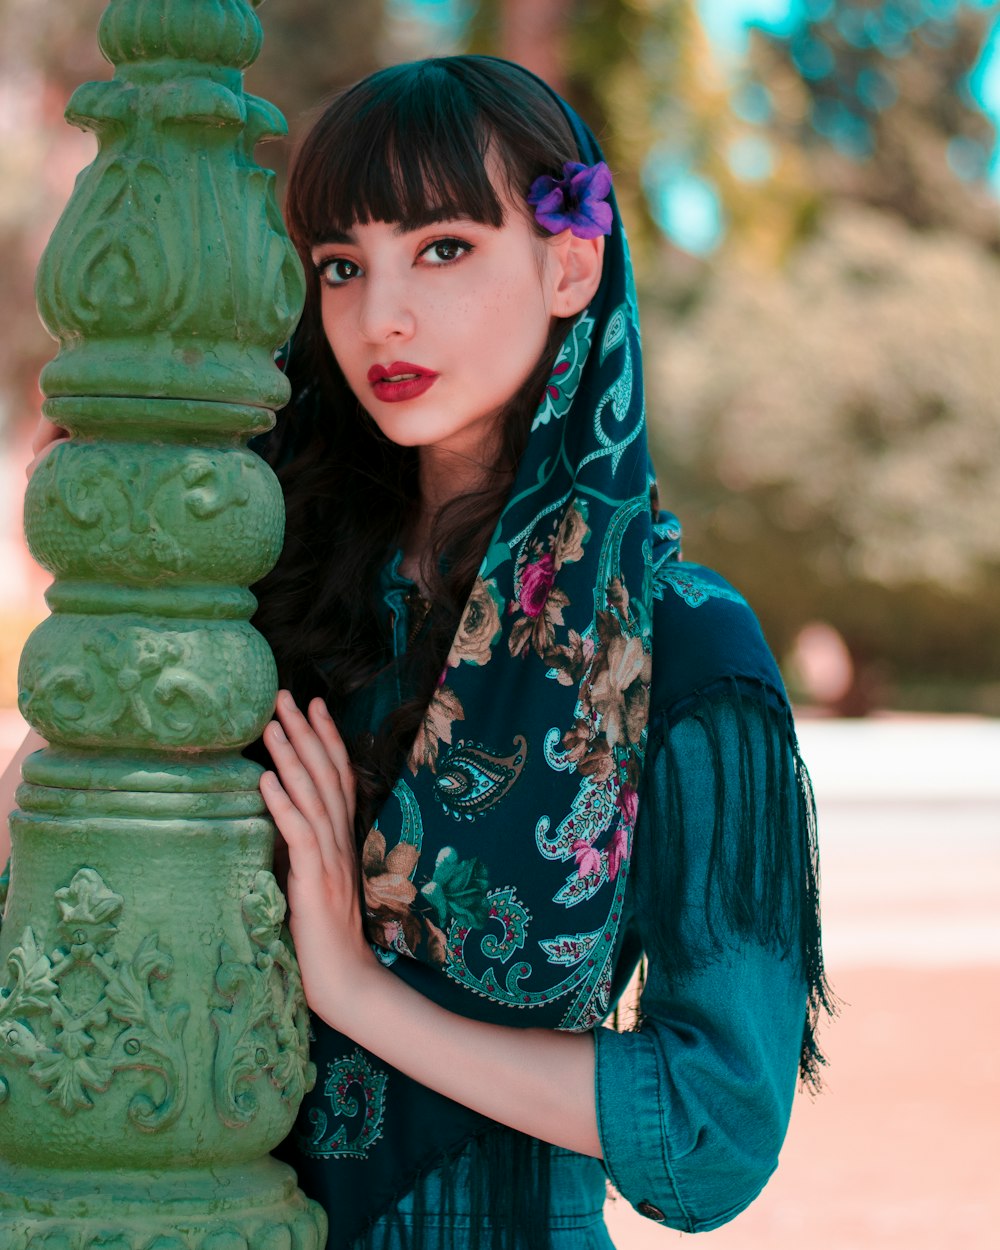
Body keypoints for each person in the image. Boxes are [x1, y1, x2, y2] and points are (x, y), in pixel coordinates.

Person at [6, 55, 830, 1250]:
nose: (378, 314)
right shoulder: (259, 587)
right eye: (342, 265)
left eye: (441, 247)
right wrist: (119, 618)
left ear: (569, 260)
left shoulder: (681, 646)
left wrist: (355, 987)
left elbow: (713, 1128)